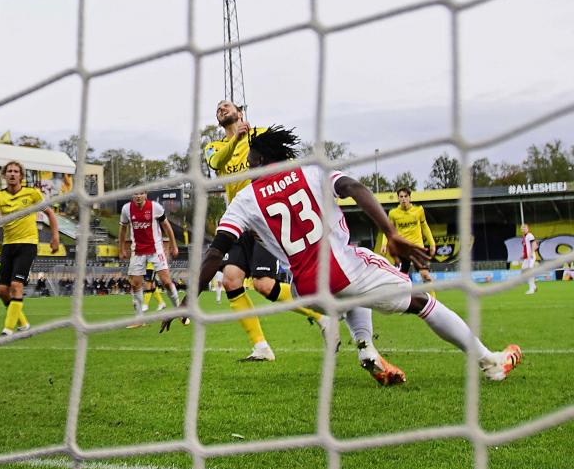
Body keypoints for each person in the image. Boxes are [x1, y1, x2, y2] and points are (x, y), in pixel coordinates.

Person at [165, 126, 522, 384]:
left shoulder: (244, 200)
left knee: (350, 294)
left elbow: (216, 253)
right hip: (343, 268)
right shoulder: (309, 170)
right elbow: (352, 187)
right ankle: (491, 362)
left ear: (259, 160)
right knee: (422, 301)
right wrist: (391, 232)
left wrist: (187, 298)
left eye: (249, 159)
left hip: (307, 288)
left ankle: (366, 348)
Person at [204, 100, 332, 361]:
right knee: (231, 280)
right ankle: (261, 347)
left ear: (241, 113)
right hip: (238, 219)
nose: (221, 110)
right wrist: (235, 139)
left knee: (263, 285)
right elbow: (216, 163)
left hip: (265, 217)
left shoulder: (260, 136)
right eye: (218, 109)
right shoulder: (213, 146)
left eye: (226, 106)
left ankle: (321, 316)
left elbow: (287, 161)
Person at [0, 161, 60, 335]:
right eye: (9, 171)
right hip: (8, 245)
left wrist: (55, 236)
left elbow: (50, 213)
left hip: (28, 244)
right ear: (4, 175)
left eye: (16, 171)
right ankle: (23, 324)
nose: (12, 174)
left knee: (16, 285)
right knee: (2, 291)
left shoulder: (32, 194)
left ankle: (8, 329)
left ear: (21, 175)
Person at [119, 190, 182, 328]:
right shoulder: (126, 209)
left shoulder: (155, 207)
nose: (138, 196)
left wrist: (173, 245)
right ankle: (139, 318)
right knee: (135, 283)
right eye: (135, 194)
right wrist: (122, 248)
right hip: (137, 251)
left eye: (141, 193)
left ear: (145, 194)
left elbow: (167, 226)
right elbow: (123, 229)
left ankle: (180, 310)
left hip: (156, 249)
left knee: (166, 281)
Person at [380, 187, 436, 293]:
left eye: (406, 196)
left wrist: (432, 243)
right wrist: (384, 244)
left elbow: (425, 227)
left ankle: (433, 302)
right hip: (402, 249)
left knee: (425, 276)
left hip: (417, 248)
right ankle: (405, 304)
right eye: (401, 197)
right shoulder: (393, 213)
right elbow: (388, 230)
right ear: (398, 199)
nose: (403, 199)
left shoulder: (419, 210)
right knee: (401, 280)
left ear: (410, 198)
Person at [520, 223, 539, 294]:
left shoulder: (530, 235)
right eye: (522, 228)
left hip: (530, 257)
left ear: (528, 228)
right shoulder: (524, 237)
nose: (523, 229)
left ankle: (531, 289)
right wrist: (523, 255)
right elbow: (525, 247)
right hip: (526, 258)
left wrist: (531, 253)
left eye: (525, 228)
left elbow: (535, 245)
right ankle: (533, 286)